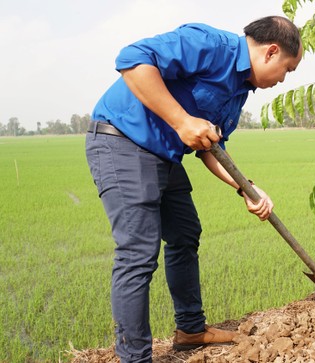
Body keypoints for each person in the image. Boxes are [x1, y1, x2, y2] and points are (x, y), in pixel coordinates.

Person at [85, 16, 303, 362]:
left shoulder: (239, 91)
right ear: (271, 52)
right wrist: (181, 120)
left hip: (163, 155)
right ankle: (135, 357)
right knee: (138, 253)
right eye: (287, 69)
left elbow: (210, 148)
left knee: (185, 234)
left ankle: (190, 329)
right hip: (123, 142)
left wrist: (247, 188)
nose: (283, 79)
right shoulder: (211, 45)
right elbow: (132, 60)